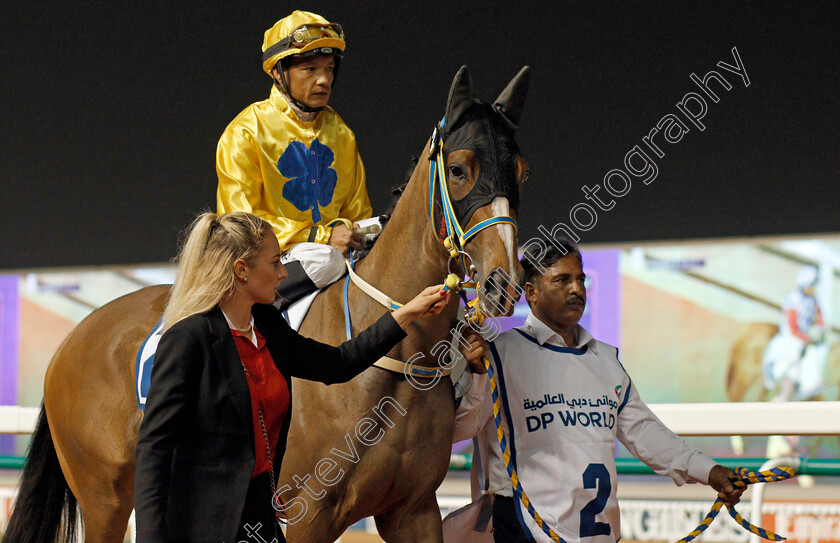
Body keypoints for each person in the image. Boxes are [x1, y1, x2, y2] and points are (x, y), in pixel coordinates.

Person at [134, 211, 450, 543]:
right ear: (241, 270)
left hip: (259, 516)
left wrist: (408, 312)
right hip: (200, 526)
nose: (284, 273)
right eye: (275, 263)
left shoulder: (268, 326)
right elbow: (154, 448)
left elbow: (339, 363)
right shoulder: (188, 338)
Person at [446, 242, 743, 543]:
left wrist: (710, 471)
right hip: (521, 530)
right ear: (531, 293)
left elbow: (646, 433)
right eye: (562, 280)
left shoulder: (607, 360)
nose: (576, 289)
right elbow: (461, 429)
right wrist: (478, 375)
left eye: (581, 279)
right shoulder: (497, 354)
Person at [217, 10, 371, 307]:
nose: (324, 80)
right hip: (263, 263)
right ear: (278, 72)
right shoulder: (246, 131)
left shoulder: (342, 134)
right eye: (310, 69)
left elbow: (358, 213)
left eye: (329, 68)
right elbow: (239, 223)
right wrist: (321, 235)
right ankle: (254, 319)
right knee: (325, 260)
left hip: (333, 259)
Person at [762, 265, 828, 402]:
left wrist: (820, 330)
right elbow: (792, 326)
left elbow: (819, 315)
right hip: (792, 337)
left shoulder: (812, 299)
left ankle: (807, 388)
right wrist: (804, 338)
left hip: (807, 337)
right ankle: (785, 391)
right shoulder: (794, 299)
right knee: (794, 357)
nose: (813, 288)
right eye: (811, 285)